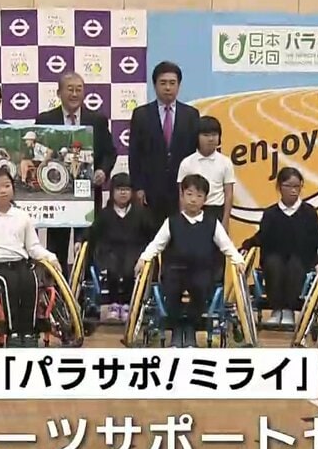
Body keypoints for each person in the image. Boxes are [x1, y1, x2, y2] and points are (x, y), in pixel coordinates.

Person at [136, 174, 246, 348]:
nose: (193, 199)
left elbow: (226, 245)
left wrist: (238, 260)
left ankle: (190, 330)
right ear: (181, 195)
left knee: (201, 288)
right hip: (175, 270)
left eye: (199, 195)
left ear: (205, 199)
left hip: (202, 271)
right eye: (189, 194)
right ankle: (176, 330)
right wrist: (143, 258)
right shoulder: (171, 222)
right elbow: (156, 245)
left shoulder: (212, 223)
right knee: (171, 289)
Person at [0, 168, 61, 348]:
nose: (3, 191)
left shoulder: (22, 216)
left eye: (7, 186)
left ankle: (29, 333)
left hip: (19, 263)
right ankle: (12, 332)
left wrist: (51, 258)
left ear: (13, 188)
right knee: (9, 282)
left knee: (30, 280)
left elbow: (33, 247)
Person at [36, 72, 117, 268]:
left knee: (88, 244)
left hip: (88, 193)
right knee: (57, 245)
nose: (74, 94)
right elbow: (38, 153)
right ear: (59, 93)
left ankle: (86, 284)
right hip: (57, 194)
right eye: (70, 89)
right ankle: (57, 284)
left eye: (78, 89)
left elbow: (109, 152)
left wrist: (103, 171)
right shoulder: (45, 119)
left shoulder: (97, 119)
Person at [240, 167, 318, 327]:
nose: (293, 191)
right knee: (274, 265)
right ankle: (276, 309)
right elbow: (261, 236)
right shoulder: (271, 213)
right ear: (279, 187)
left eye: (297, 186)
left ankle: (288, 310)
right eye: (288, 186)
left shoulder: (309, 213)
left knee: (295, 265)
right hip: (275, 257)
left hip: (301, 259)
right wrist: (247, 244)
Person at [129, 61, 201, 225]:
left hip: (182, 190)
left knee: (179, 233)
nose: (168, 87)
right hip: (151, 190)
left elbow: (195, 153)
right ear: (155, 85)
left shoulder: (191, 114)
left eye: (172, 83)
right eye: (163, 83)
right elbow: (135, 154)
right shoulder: (141, 115)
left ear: (179, 85)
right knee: (152, 234)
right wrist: (138, 188)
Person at [81, 173, 158, 321]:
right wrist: (80, 240)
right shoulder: (105, 213)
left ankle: (128, 304)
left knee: (130, 268)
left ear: (132, 192)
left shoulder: (141, 213)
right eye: (119, 189)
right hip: (110, 249)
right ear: (112, 192)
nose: (123, 193)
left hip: (134, 248)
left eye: (127, 189)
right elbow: (92, 231)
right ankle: (114, 304)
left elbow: (152, 234)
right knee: (113, 269)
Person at [176, 116, 236, 228]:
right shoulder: (187, 163)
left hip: (216, 210)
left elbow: (228, 194)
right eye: (206, 135)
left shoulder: (226, 162)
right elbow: (181, 194)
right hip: (193, 211)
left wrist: (225, 221)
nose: (211, 139)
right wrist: (183, 220)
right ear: (197, 137)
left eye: (214, 135)